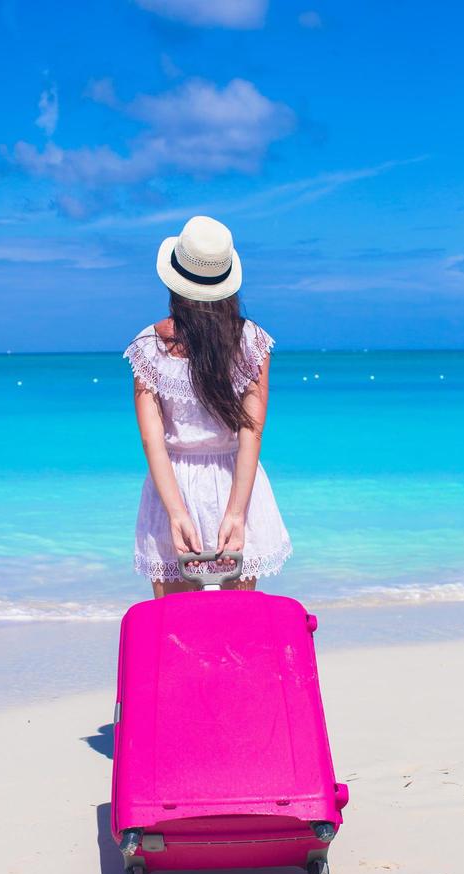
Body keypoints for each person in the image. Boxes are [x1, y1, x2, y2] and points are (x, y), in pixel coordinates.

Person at [123, 215, 292, 598]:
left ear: (174, 281)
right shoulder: (252, 342)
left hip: (172, 487)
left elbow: (153, 442)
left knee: (176, 629)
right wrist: (236, 512)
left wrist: (176, 512)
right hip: (237, 482)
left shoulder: (149, 347)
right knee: (236, 631)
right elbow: (252, 431)